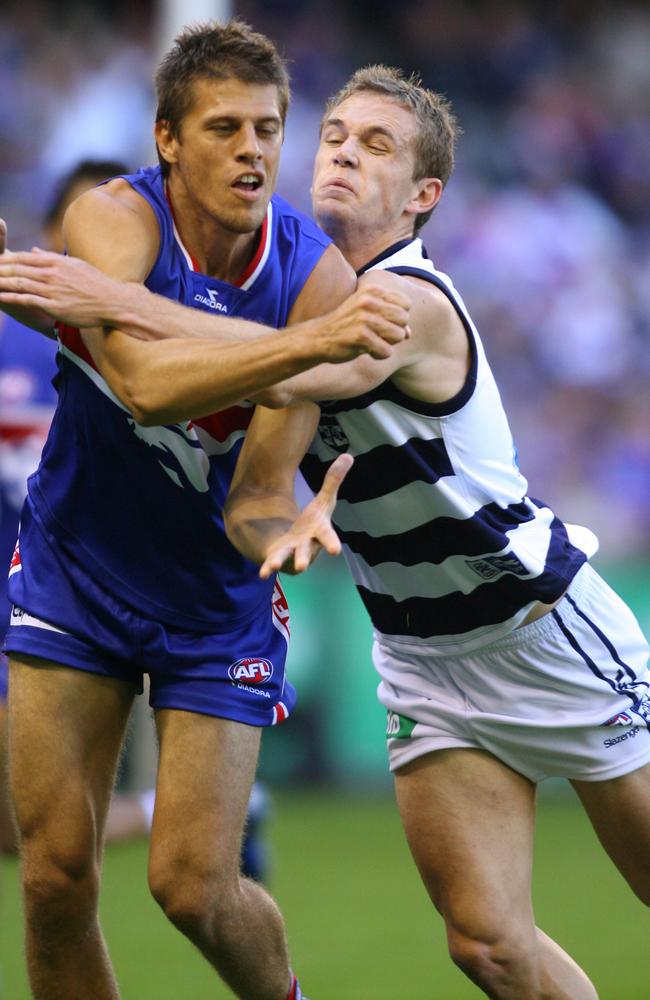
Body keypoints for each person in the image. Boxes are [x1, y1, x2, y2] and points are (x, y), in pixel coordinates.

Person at [10, 61, 647, 1000]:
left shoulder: (405, 301)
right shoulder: (309, 292)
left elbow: (304, 363)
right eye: (338, 135)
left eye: (377, 146)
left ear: (424, 197)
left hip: (537, 624)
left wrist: (103, 305)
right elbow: (262, 392)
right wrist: (75, 319)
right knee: (488, 947)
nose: (343, 153)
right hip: (424, 654)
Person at [0, 23, 410, 1000]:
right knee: (54, 877)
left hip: (212, 599)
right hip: (75, 568)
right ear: (167, 141)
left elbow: (258, 497)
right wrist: (306, 348)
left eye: (268, 127)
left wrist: (286, 536)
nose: (253, 149)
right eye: (222, 127)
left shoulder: (312, 278)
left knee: (192, 887)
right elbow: (142, 386)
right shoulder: (112, 220)